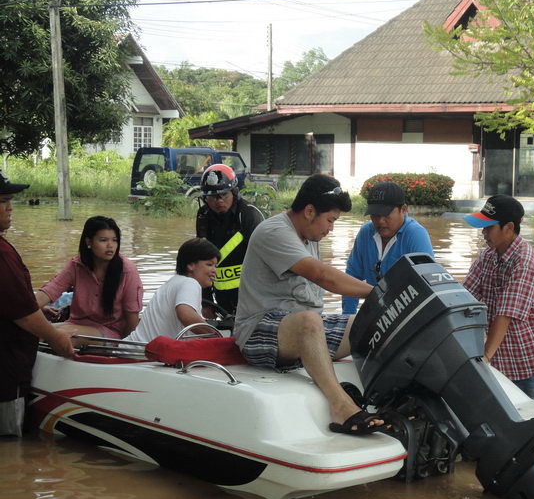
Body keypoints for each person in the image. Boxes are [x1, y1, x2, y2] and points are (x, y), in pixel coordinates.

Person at [234, 174, 385, 435]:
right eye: (330, 220)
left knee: (376, 321)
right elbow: (323, 277)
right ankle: (340, 406)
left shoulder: (309, 237)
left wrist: (384, 302)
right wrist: (382, 292)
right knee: (309, 321)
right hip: (258, 332)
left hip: (306, 330)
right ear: (309, 211)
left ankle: (387, 398)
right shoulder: (274, 231)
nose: (331, 228)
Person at [462, 195, 534, 405]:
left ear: (509, 228)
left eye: (488, 227)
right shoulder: (488, 257)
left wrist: (484, 360)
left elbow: (505, 315)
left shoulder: (524, 261)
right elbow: (465, 297)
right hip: (506, 362)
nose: (483, 232)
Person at [0, 171, 73, 436]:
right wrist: (56, 338)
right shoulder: (3, 254)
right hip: (6, 375)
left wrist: (33, 305)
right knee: (10, 451)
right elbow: (25, 317)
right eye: (3, 200)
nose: (10, 207)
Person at [35, 216, 143, 344]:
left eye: (114, 240)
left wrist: (125, 349)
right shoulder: (77, 265)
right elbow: (51, 290)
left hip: (110, 332)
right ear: (88, 242)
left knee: (60, 336)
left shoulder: (127, 270)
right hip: (74, 324)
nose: (110, 246)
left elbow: (132, 318)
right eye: (103, 240)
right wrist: (24, 310)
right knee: (34, 330)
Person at [342, 181, 434, 314]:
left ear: (403, 210)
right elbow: (351, 278)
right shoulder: (365, 233)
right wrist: (348, 316)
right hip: (375, 312)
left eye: (386, 215)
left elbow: (426, 285)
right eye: (375, 215)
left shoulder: (415, 235)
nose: (379, 221)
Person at [196, 163, 264, 317]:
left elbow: (264, 261)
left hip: (251, 299)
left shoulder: (248, 215)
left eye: (223, 195)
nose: (218, 201)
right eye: (212, 197)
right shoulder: (203, 216)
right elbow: (200, 259)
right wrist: (206, 302)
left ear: (235, 191)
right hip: (221, 301)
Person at [125, 238, 220, 343]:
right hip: (143, 356)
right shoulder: (190, 283)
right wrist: (216, 337)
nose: (214, 271)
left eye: (215, 266)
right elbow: (186, 315)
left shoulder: (173, 282)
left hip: (135, 349)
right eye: (209, 265)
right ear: (190, 265)